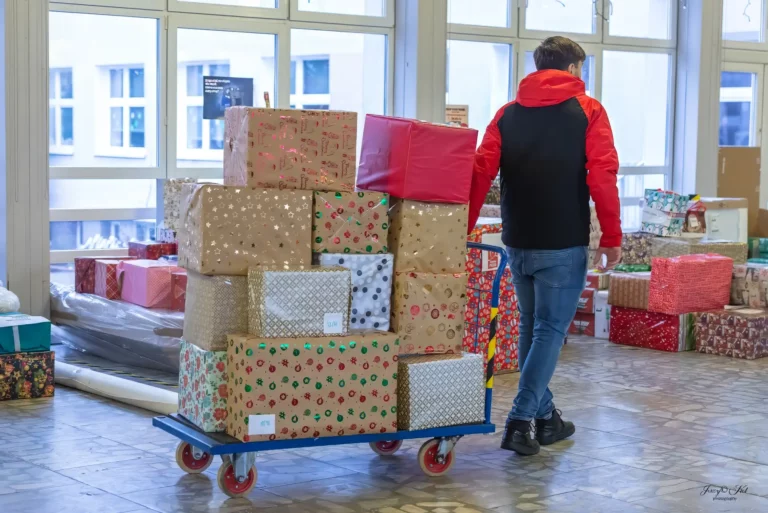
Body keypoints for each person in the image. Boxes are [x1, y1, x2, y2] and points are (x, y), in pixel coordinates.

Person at [467, 36, 622, 456]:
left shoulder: (506, 115)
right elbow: (603, 176)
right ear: (573, 69)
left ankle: (547, 418)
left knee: (538, 331)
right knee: (549, 332)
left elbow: (480, 173)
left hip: (517, 241)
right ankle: (520, 420)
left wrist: (462, 227)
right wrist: (611, 236)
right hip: (562, 242)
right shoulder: (588, 112)